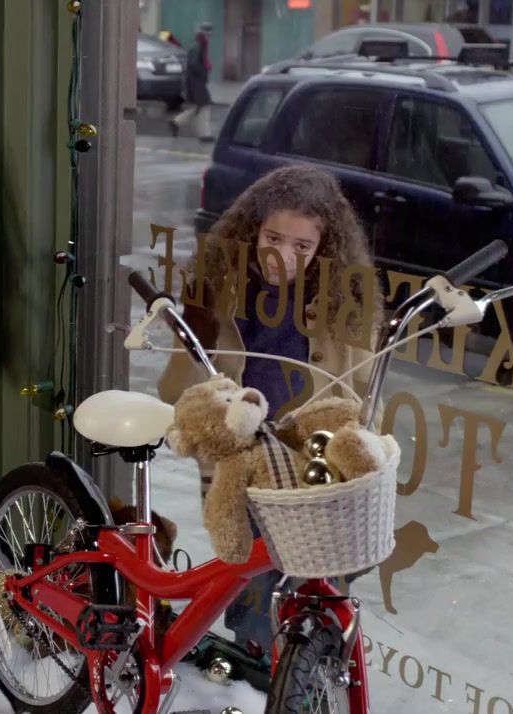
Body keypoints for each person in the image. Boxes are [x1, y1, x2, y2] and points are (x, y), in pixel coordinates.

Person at [156, 165, 383, 652]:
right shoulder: (220, 284)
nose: (283, 256)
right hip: (247, 459)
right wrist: (198, 333)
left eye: (302, 246)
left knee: (320, 589)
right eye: (273, 238)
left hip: (313, 460)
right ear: (252, 230)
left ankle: (310, 670)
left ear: (325, 247)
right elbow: (177, 390)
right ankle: (255, 663)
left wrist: (363, 452)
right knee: (254, 585)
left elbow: (364, 390)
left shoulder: (345, 297)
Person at [170, 26, 214, 142]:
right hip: (196, 84)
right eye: (207, 34)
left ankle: (176, 122)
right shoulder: (198, 48)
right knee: (204, 105)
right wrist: (203, 74)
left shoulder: (200, 47)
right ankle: (205, 134)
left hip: (196, 83)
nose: (209, 36)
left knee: (199, 107)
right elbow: (194, 65)